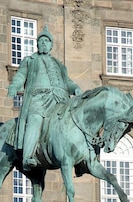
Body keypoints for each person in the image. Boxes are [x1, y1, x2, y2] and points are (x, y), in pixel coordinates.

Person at [7, 26, 82, 171]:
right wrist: (14, 87)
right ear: (37, 44)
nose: (43, 44)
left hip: (59, 100)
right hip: (38, 99)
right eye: (40, 41)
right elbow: (21, 76)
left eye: (46, 41)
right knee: (35, 119)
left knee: (72, 122)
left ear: (51, 45)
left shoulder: (58, 65)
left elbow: (67, 82)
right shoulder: (30, 60)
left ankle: (79, 157)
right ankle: (28, 156)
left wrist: (76, 88)